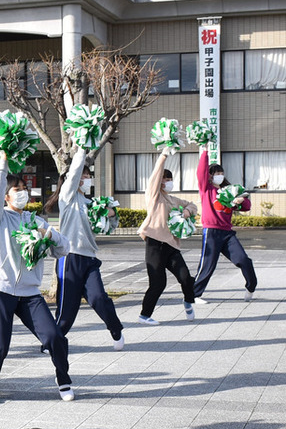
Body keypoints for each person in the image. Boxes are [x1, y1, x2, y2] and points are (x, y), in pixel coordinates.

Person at [0, 152, 72, 404]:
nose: (22, 192)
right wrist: (2, 165)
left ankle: (63, 380)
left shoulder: (36, 220)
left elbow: (64, 248)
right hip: (3, 289)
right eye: (16, 189)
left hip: (30, 293)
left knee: (54, 337)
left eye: (24, 188)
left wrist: (49, 234)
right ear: (7, 196)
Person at [44, 148, 125, 350]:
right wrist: (80, 149)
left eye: (90, 176)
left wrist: (112, 214)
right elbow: (73, 173)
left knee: (99, 298)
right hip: (69, 258)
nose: (87, 179)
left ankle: (116, 330)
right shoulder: (68, 197)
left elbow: (109, 226)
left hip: (89, 259)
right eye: (84, 175)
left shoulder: (91, 203)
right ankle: (53, 341)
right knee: (67, 309)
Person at [137, 148, 198, 324]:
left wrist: (187, 211)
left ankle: (188, 301)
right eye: (165, 179)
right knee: (158, 283)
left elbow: (193, 205)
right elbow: (155, 176)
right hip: (155, 244)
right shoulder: (154, 196)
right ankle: (144, 315)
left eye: (170, 179)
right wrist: (163, 156)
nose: (168, 182)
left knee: (185, 277)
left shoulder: (173, 200)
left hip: (171, 246)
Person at [192, 147, 257, 303]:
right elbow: (200, 172)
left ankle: (251, 286)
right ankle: (194, 295)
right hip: (211, 232)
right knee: (208, 265)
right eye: (216, 173)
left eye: (221, 173)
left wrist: (241, 202)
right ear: (210, 176)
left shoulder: (229, 190)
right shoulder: (206, 189)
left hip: (227, 233)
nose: (219, 176)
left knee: (243, 260)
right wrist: (205, 152)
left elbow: (247, 205)